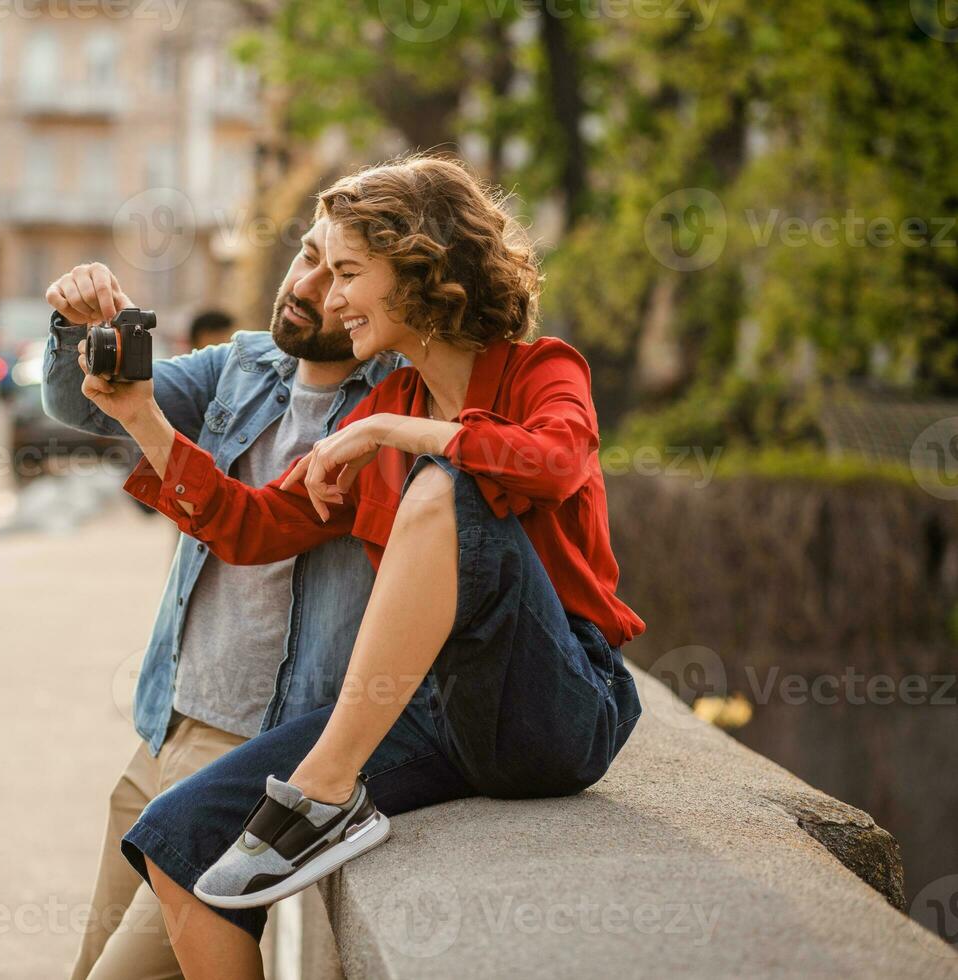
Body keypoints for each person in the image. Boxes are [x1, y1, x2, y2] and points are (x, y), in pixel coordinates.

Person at [75, 154, 645, 979]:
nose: (330, 297)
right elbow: (257, 524)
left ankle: (327, 791)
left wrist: (393, 439)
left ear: (420, 271)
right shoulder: (390, 403)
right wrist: (144, 421)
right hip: (429, 712)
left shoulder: (538, 371)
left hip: (557, 702)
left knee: (446, 490)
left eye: (347, 272)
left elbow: (554, 464)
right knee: (177, 843)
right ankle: (321, 792)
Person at [40, 221, 405, 980]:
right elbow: (81, 408)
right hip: (167, 725)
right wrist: (74, 331)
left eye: (340, 276)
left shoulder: (393, 411)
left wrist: (143, 418)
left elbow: (251, 524)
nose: (306, 286)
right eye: (308, 255)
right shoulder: (243, 364)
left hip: (258, 754)